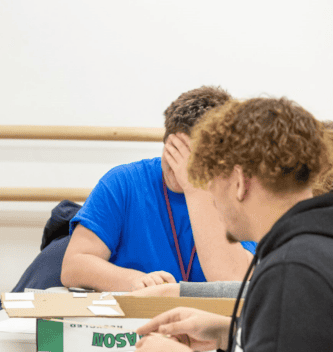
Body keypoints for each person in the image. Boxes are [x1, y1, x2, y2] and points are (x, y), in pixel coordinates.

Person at [135, 97, 333, 352]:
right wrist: (230, 334)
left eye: (211, 183)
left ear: (239, 182)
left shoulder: (291, 268)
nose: (213, 201)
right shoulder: (314, 243)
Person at [61, 86, 256, 292]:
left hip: (206, 320)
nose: (178, 170)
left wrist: (195, 189)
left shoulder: (239, 193)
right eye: (174, 152)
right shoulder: (123, 182)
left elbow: (234, 280)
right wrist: (133, 281)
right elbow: (74, 265)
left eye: (193, 158)